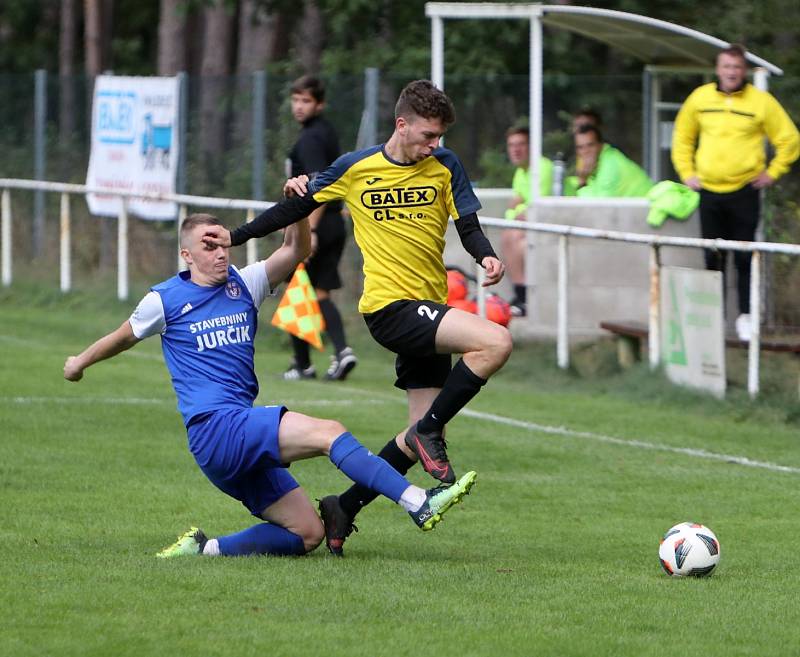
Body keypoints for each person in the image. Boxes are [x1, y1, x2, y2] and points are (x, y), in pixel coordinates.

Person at [201, 79, 512, 556]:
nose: (436, 145)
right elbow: (295, 205)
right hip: (389, 308)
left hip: (429, 308)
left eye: (440, 137)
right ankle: (429, 431)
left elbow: (467, 225)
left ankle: (344, 506)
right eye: (428, 135)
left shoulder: (445, 165)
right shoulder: (356, 167)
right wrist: (235, 237)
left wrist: (486, 256)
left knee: (416, 433)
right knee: (495, 342)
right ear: (401, 124)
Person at [63, 212, 477, 559]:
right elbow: (123, 336)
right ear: (186, 255)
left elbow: (297, 251)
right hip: (215, 427)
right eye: (209, 247)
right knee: (328, 432)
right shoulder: (165, 300)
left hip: (232, 439)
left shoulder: (244, 283)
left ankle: (204, 549)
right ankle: (418, 503)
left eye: (223, 243)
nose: (221, 252)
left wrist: (297, 210)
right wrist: (79, 363)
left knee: (308, 534)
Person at [671, 44, 800, 341]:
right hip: (709, 191)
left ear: (744, 71)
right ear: (718, 69)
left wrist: (773, 172)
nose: (731, 72)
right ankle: (711, 319)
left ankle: (745, 317)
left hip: (745, 191)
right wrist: (686, 173)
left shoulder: (761, 102)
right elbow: (682, 137)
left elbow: (790, 140)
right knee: (712, 257)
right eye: (726, 66)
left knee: (744, 258)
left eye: (737, 67)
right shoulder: (700, 98)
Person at [283, 75, 357, 381]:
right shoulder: (323, 131)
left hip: (316, 224)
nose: (299, 107)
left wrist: (308, 231)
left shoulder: (312, 138)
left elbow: (318, 188)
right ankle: (341, 352)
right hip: (333, 223)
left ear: (320, 104)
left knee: (296, 290)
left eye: (306, 101)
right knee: (319, 292)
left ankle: (303, 364)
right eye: (296, 100)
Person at [501, 126, 553, 317]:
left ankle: (524, 297)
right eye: (511, 145)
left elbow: (536, 209)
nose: (516, 149)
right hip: (531, 230)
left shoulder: (543, 167)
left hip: (555, 226)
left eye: (521, 144)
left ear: (532, 146)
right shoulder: (520, 173)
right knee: (510, 236)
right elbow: (511, 211)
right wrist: (519, 208)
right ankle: (521, 295)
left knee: (515, 237)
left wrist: (520, 208)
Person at [567, 125, 653, 198]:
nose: (586, 151)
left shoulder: (610, 164)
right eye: (580, 147)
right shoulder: (596, 166)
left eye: (590, 145)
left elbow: (598, 207)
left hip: (647, 212)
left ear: (601, 145)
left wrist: (582, 183)